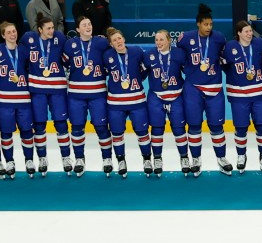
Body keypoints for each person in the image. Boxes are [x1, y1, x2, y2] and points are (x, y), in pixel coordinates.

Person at [176, 5, 231, 176]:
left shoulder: (219, 38)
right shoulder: (185, 38)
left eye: (211, 24)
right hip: (193, 89)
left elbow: (225, 56)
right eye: (206, 24)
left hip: (214, 88)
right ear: (198, 24)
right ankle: (196, 159)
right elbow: (178, 56)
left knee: (216, 126)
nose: (209, 28)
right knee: (194, 125)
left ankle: (221, 158)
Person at [20, 15, 70, 176]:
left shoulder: (60, 38)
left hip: (57, 88)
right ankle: (42, 158)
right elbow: (21, 58)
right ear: (40, 29)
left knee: (61, 123)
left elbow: (69, 58)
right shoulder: (29, 38)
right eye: (48, 28)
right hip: (37, 89)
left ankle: (66, 158)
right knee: (39, 125)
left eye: (53, 27)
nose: (52, 30)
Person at [222, 20, 262, 174]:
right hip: (238, 95)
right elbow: (224, 66)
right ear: (238, 33)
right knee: (241, 127)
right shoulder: (230, 47)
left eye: (251, 31)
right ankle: (241, 156)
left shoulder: (259, 44)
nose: (249, 34)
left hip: (259, 94)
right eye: (246, 31)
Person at [64, 14, 112, 177]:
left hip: (98, 94)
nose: (88, 26)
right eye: (84, 24)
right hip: (76, 95)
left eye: (89, 23)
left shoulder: (101, 42)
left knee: (101, 127)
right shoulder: (70, 45)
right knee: (77, 127)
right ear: (77, 29)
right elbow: (63, 63)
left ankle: (107, 159)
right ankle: (79, 159)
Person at [102, 28, 153, 177]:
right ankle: (121, 160)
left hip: (137, 100)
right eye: (114, 40)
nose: (118, 42)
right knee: (117, 133)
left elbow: (144, 71)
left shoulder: (137, 52)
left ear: (124, 39)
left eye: (119, 38)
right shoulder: (107, 56)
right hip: (115, 103)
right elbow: (104, 73)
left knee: (142, 132)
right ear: (111, 44)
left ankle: (147, 160)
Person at [0, 21, 34, 179]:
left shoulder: (24, 50)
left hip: (23, 100)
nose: (13, 34)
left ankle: (29, 160)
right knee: (6, 133)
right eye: (9, 32)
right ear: (3, 35)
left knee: (27, 131)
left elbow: (31, 71)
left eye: (14, 31)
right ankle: (9, 161)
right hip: (4, 101)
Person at [144, 29, 188, 177]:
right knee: (157, 128)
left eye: (161, 40)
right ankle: (157, 158)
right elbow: (140, 74)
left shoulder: (179, 54)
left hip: (176, 96)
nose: (158, 43)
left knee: (179, 128)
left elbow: (189, 71)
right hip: (156, 97)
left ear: (169, 40)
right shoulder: (148, 55)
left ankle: (184, 158)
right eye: (156, 40)